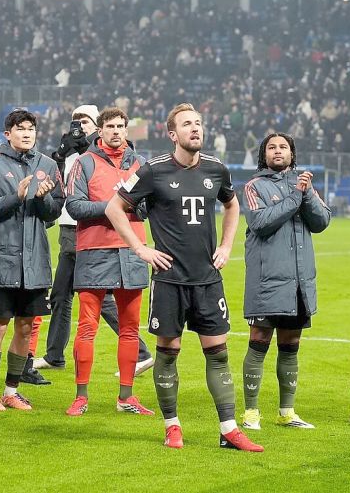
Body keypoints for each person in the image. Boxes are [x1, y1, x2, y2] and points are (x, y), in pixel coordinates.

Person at [106, 102, 263, 452]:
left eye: (199, 123)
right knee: (168, 352)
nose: (196, 128)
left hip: (208, 279)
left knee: (218, 353)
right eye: (187, 124)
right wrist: (140, 249)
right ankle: (172, 426)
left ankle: (229, 429)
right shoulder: (152, 170)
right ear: (172, 133)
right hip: (169, 280)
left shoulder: (217, 169)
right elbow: (114, 207)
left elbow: (232, 204)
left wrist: (225, 245)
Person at [35, 104, 154, 378]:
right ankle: (55, 354)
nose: (80, 127)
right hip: (73, 230)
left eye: (85, 121)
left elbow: (144, 206)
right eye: (76, 121)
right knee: (62, 295)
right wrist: (63, 155)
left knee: (99, 296)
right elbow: (67, 195)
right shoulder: (74, 155)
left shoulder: (122, 159)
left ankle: (141, 352)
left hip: (102, 239)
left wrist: (115, 206)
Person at [64, 107, 154, 417]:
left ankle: (126, 397)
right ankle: (80, 396)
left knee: (129, 329)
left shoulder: (140, 166)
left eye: (120, 126)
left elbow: (148, 208)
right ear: (99, 131)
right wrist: (116, 207)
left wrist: (133, 209)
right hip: (94, 251)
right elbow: (74, 206)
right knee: (87, 327)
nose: (116, 131)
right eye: (110, 126)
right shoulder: (84, 163)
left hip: (132, 252)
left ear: (127, 131)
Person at [239, 133, 331, 430]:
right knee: (259, 341)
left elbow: (322, 222)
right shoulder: (254, 186)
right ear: (263, 155)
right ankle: (251, 413)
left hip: (298, 284)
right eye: (271, 147)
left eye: (284, 147)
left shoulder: (303, 186)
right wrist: (296, 196)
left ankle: (287, 412)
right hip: (267, 281)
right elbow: (261, 223)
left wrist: (304, 194)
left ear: (292, 153)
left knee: (291, 344)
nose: (278, 151)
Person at [0, 108, 63, 411]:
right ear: (7, 134)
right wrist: (18, 195)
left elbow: (54, 213)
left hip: (35, 262)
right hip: (2, 260)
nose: (27, 133)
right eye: (20, 129)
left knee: (26, 327)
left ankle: (11, 390)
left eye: (31, 129)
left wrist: (42, 198)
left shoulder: (49, 165)